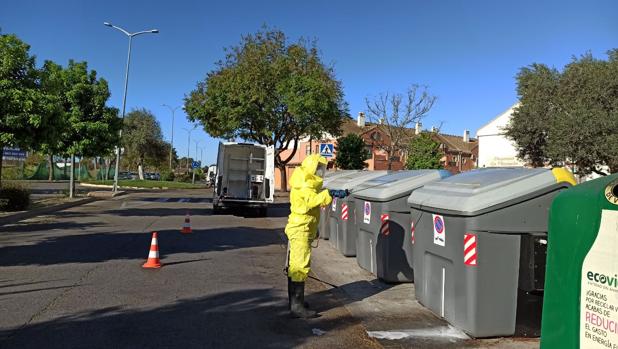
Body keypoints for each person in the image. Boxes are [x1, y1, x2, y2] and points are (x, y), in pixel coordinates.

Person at [285, 154, 332, 318]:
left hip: (302, 227)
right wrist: (328, 194)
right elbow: (312, 201)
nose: (321, 171)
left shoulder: (305, 179)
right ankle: (297, 307)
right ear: (313, 167)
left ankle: (294, 301)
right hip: (301, 229)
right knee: (299, 266)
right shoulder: (305, 183)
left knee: (295, 265)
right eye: (319, 168)